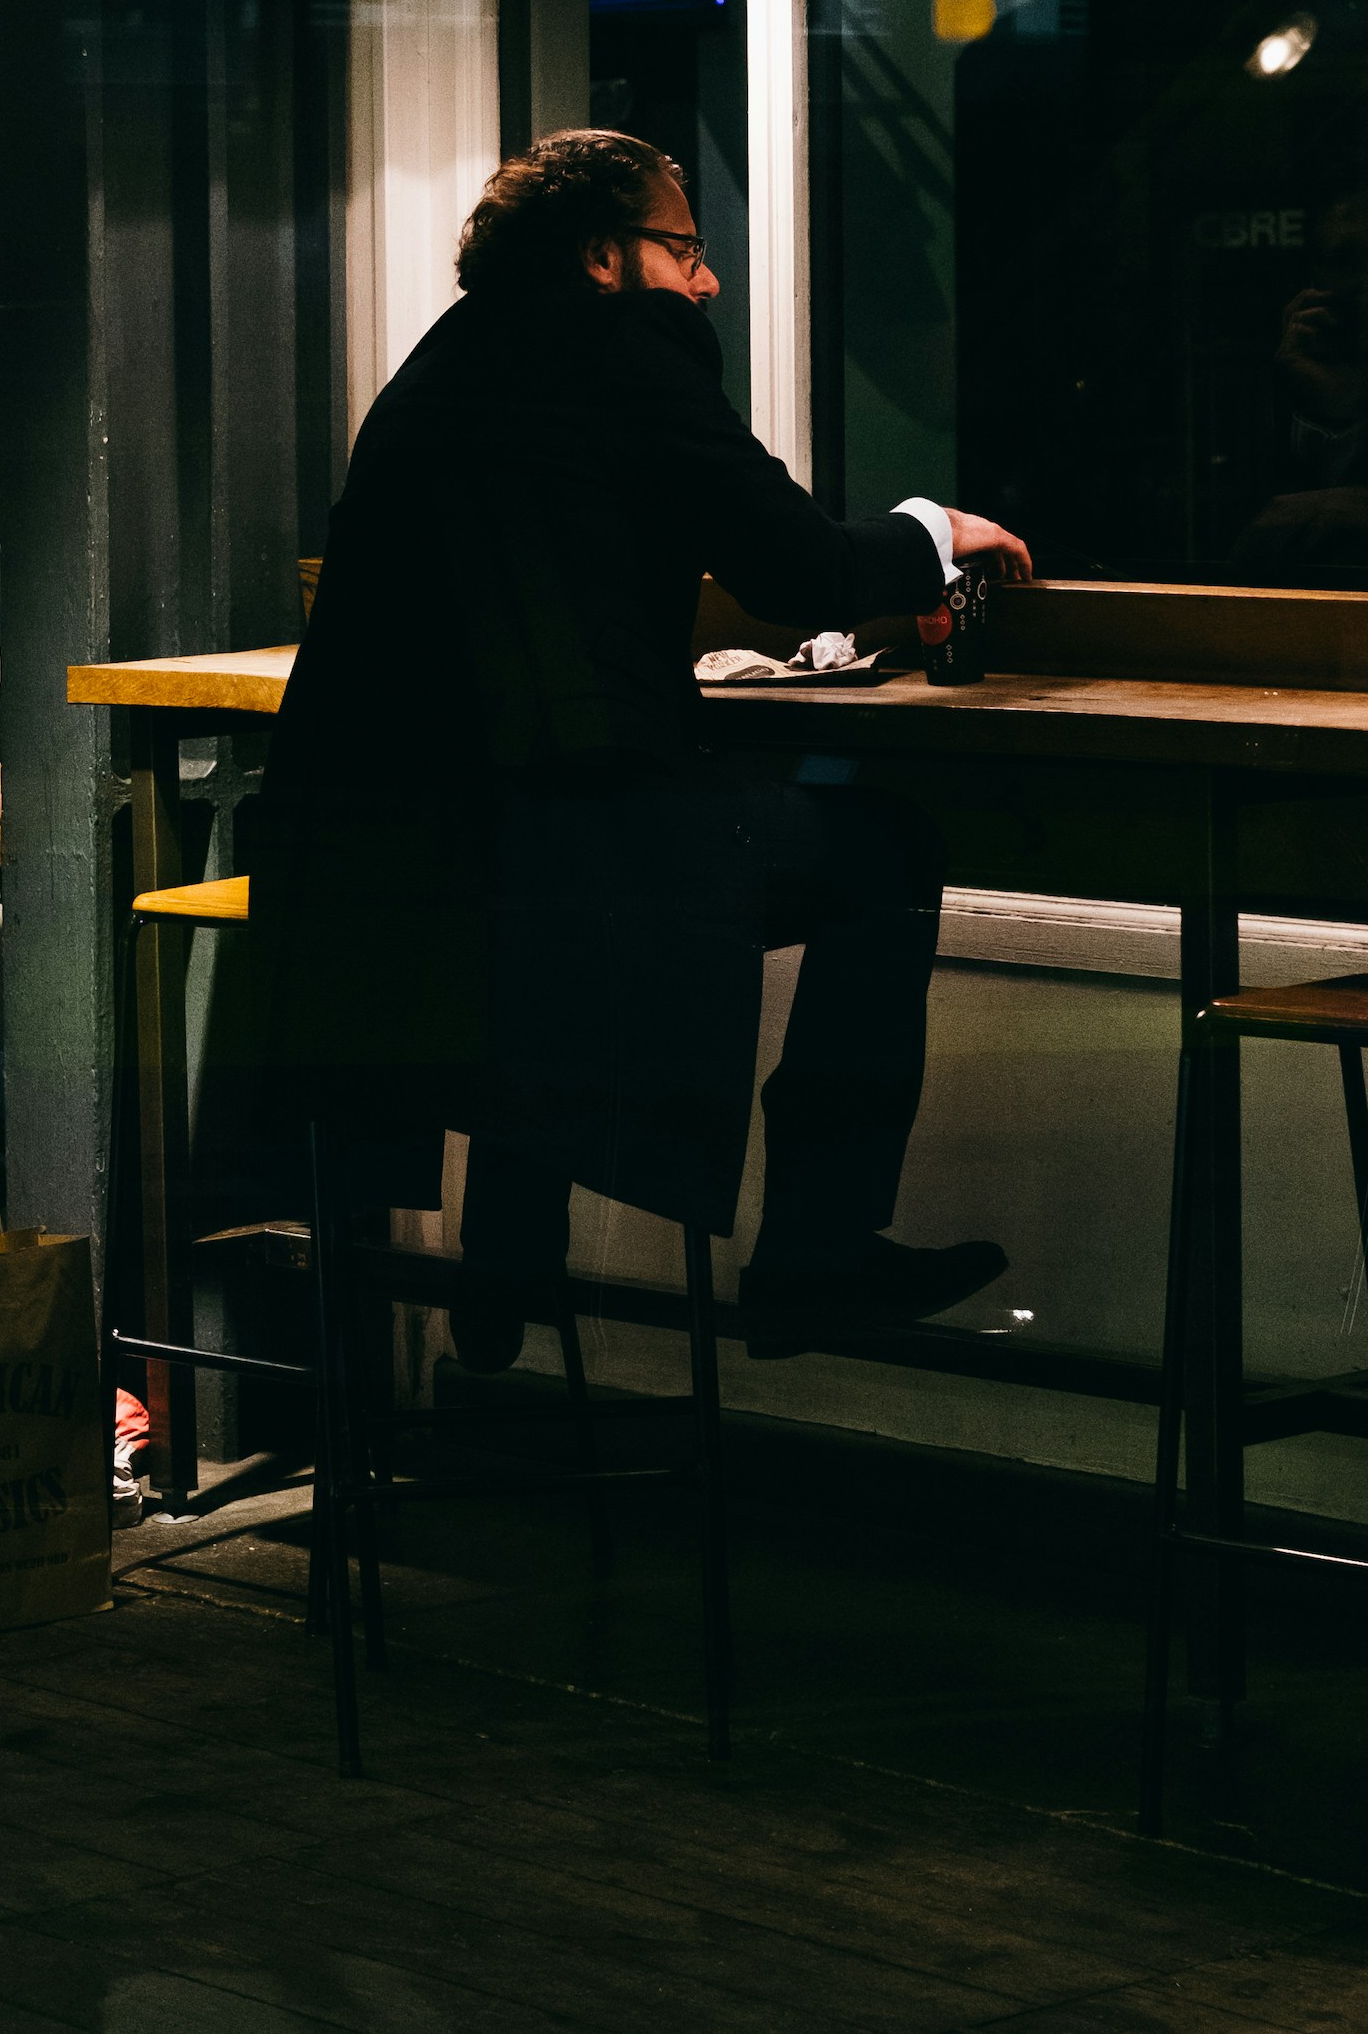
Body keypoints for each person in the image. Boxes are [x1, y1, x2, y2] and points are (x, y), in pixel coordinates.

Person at [255, 127, 1031, 1366]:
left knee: (541, 931)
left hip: (404, 873)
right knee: (883, 854)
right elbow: (797, 569)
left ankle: (510, 1270)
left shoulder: (436, 365)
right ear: (604, 257)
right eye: (684, 247)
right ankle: (815, 1255)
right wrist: (933, 529)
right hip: (574, 858)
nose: (708, 281)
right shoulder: (625, 345)